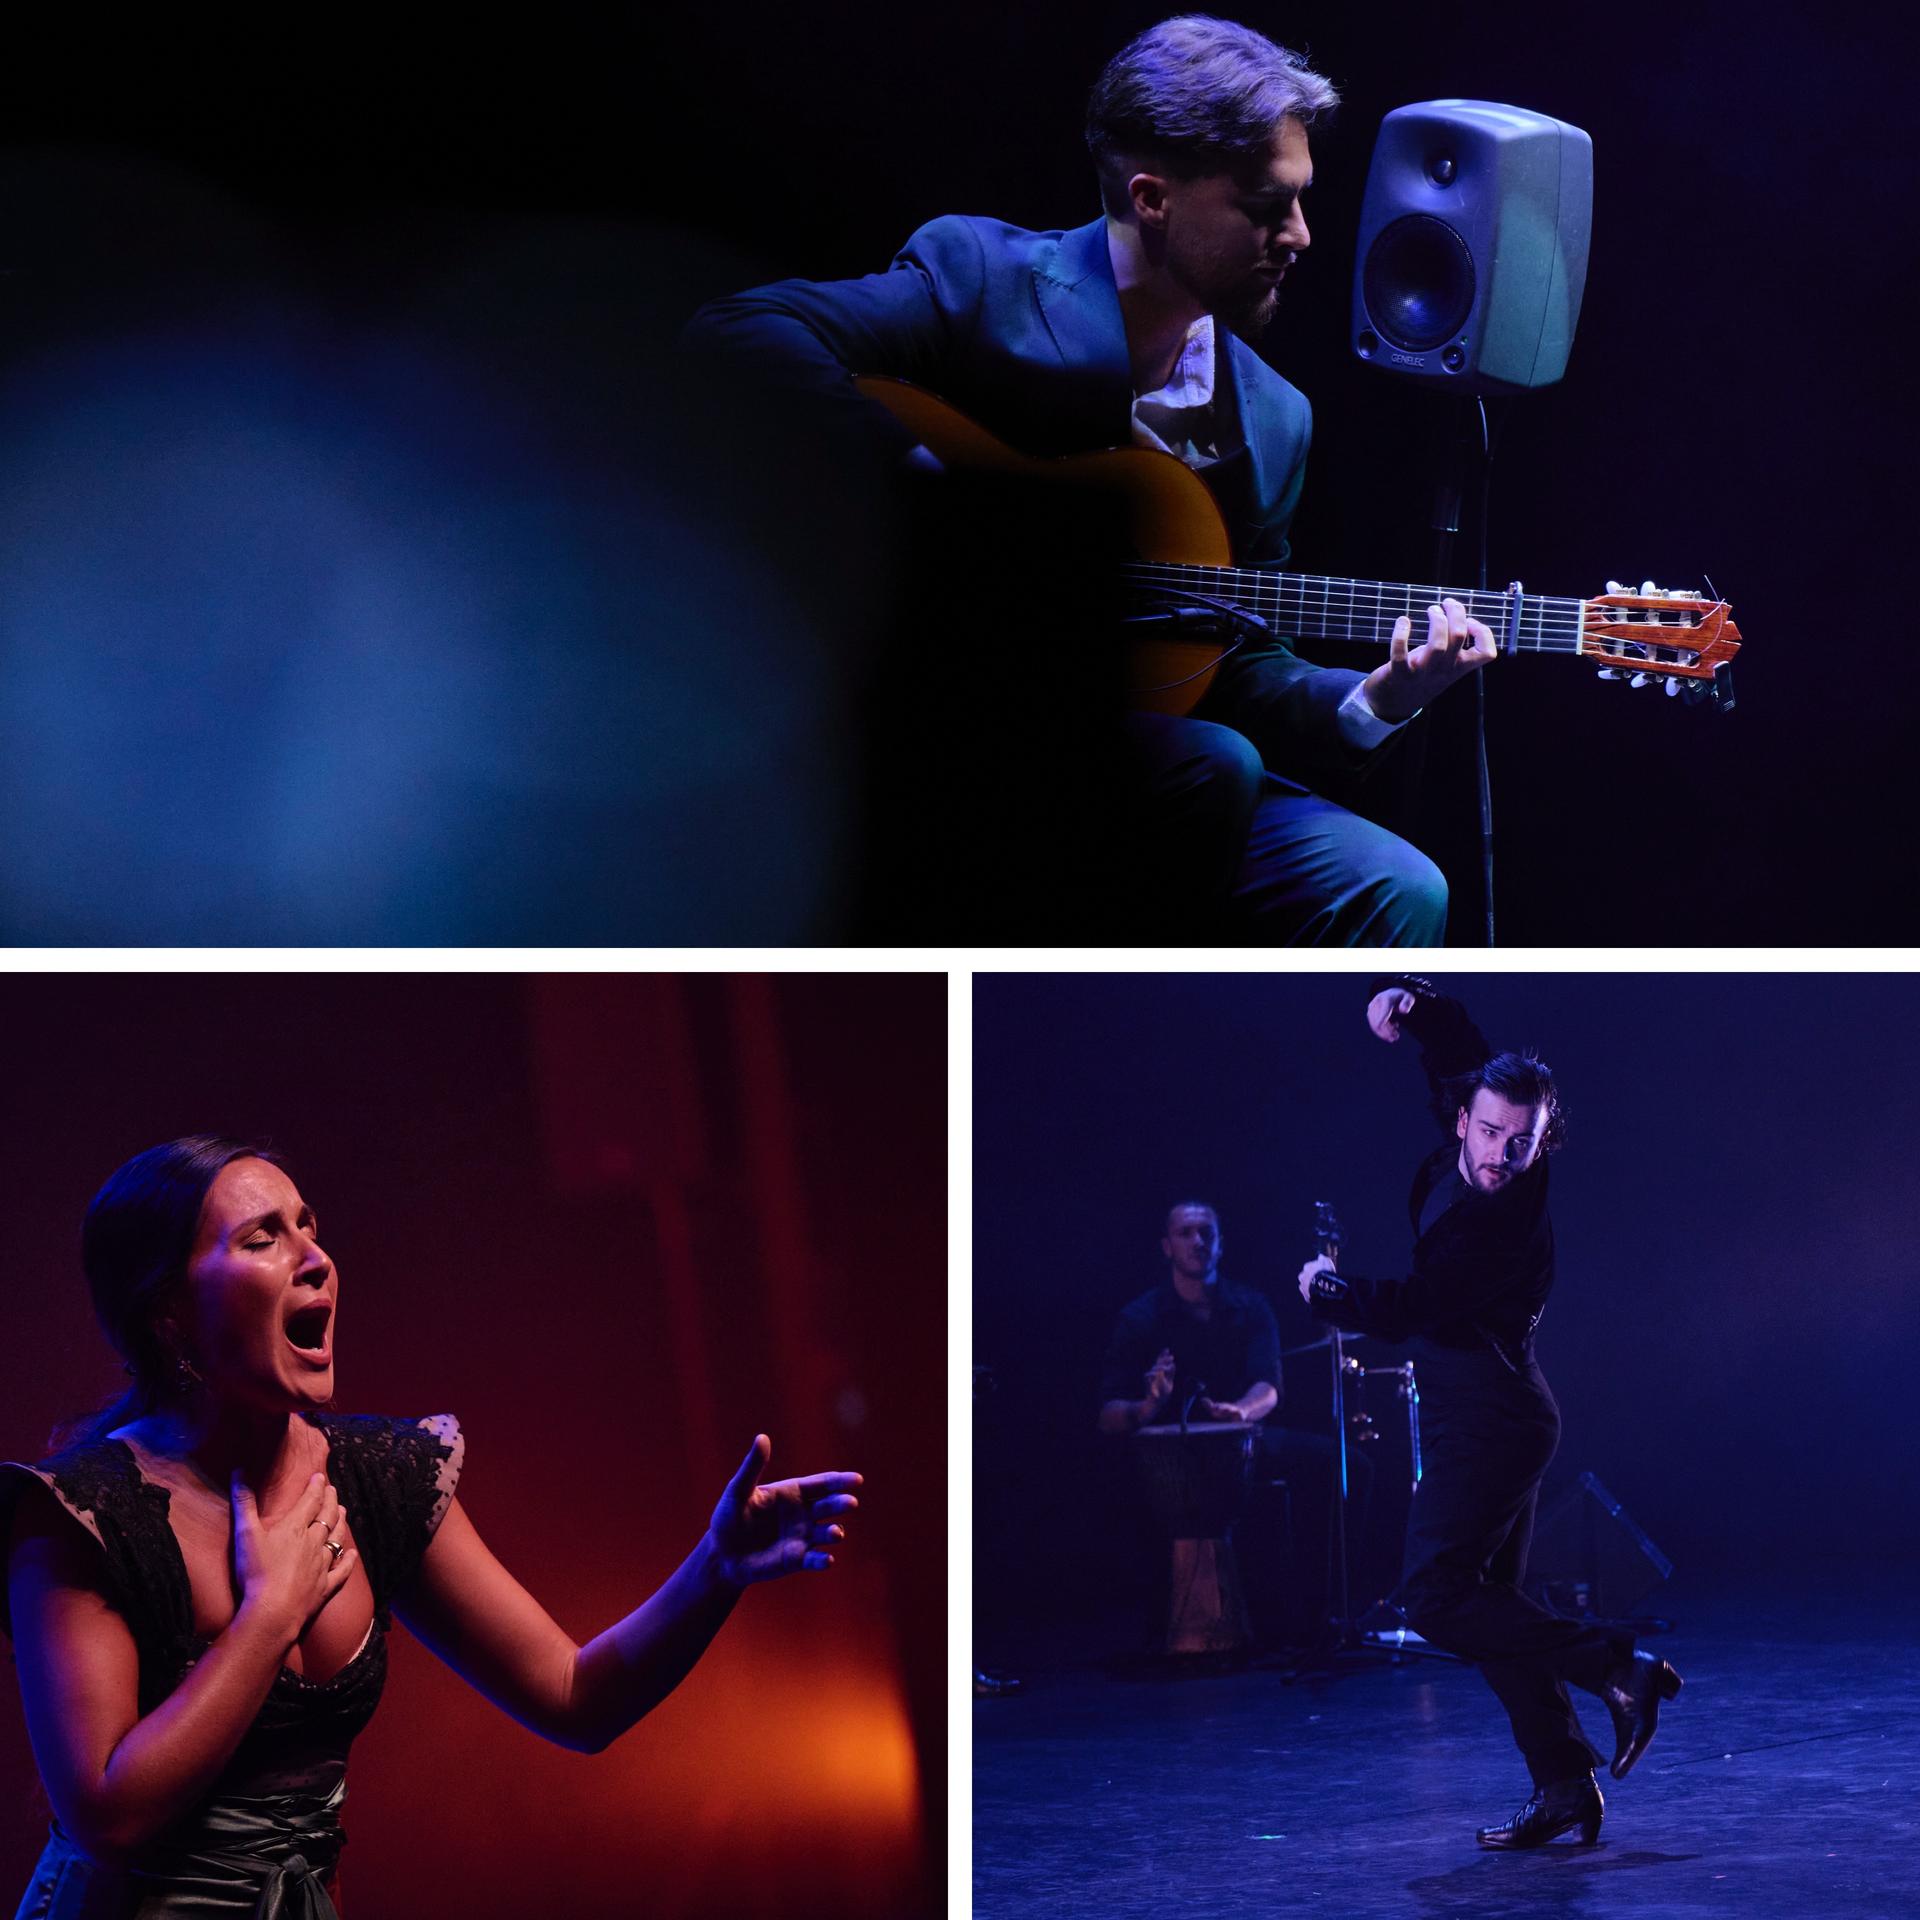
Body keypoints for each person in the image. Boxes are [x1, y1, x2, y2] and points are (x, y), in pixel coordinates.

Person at [685, 15, 1499, 945]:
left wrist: (1380, 696)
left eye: (1301, 200)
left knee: (1395, 885)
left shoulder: (1274, 417)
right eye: (1267, 207)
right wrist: (939, 496)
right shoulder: (985, 276)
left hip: (1146, 760)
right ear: (1153, 198)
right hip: (942, 726)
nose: (1302, 236)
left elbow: (1239, 658)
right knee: (1211, 767)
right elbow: (740, 333)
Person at [1, 1137, 863, 1917]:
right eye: (263, 1239)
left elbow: (574, 1698)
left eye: (310, 1226)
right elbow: (106, 1814)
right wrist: (269, 1617)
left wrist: (716, 1570)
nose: (316, 1259)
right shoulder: (83, 1515)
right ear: (169, 1314)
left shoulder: (378, 1478)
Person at [1296, 979, 1681, 1849]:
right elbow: (1460, 1044)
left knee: (1435, 1597)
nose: (1503, 1153)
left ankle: (1618, 1665)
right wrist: (1407, 1003)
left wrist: (1329, 1291)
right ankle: (1564, 1787)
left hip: (1491, 1418)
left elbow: (1412, 1305)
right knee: (1491, 1604)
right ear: (1466, 1115)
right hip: (1488, 1407)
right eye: (1492, 1130)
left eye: (1524, 1142)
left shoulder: (1501, 1226)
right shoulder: (1478, 1109)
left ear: (1546, 1143)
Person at [1098, 1202, 1361, 1644]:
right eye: (1186, 1233)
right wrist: (1147, 1404)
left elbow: (1269, 1386)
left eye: (1207, 1232)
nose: (1197, 1241)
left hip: (1244, 1443)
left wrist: (1240, 1411)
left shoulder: (1250, 1306)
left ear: (1221, 1244)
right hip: (1169, 1462)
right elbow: (1106, 1415)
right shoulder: (1140, 1318)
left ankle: (1325, 1612)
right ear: (1167, 1246)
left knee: (1347, 1465)